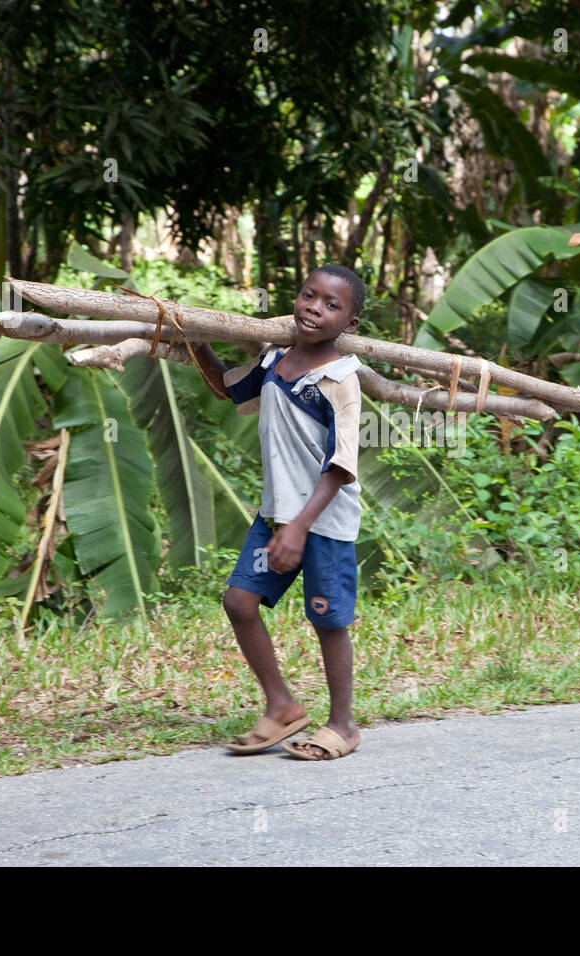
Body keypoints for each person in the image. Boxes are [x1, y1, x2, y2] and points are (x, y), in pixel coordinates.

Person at [191, 265, 365, 759]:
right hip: (276, 517)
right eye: (309, 296)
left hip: (321, 524)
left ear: (349, 324)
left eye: (332, 305)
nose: (314, 307)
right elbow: (229, 389)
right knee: (240, 602)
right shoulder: (274, 362)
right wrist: (196, 340)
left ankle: (343, 725)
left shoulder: (340, 379)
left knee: (328, 618)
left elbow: (339, 466)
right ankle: (282, 706)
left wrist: (299, 529)